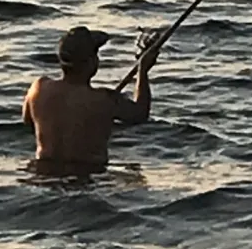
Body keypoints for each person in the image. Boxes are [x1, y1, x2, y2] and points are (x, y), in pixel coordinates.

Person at [22, 25, 162, 174]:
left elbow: (27, 121)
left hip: (44, 174)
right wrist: (143, 70)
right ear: (91, 62)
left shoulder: (38, 89)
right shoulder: (105, 100)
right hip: (88, 176)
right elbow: (140, 113)